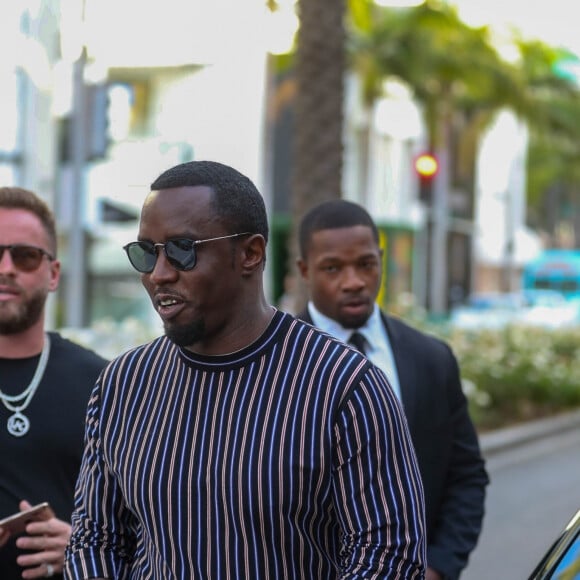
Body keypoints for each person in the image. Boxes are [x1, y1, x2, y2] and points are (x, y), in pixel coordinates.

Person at [64, 160, 426, 579]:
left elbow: (387, 556)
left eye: (183, 249)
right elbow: (97, 538)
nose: (159, 274)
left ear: (250, 254)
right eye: (146, 253)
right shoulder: (123, 384)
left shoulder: (344, 386)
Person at [296, 200, 489, 580]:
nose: (353, 282)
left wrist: (438, 566)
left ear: (380, 260)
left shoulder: (431, 358)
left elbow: (466, 476)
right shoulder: (278, 363)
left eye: (366, 264)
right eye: (332, 268)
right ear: (305, 270)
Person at [0, 187, 108, 579]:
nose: (6, 266)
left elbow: (145, 520)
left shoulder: (104, 382)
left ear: (54, 274)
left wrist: (83, 546)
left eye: (25, 256)